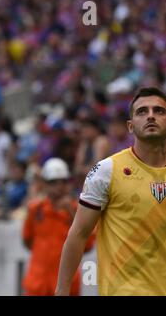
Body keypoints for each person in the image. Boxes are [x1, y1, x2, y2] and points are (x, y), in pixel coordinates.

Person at [56, 87, 166, 296]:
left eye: (159, 111)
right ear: (130, 126)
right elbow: (78, 233)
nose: (151, 115)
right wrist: (62, 291)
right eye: (142, 111)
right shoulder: (107, 170)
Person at [22, 158, 94, 296]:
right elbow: (27, 240)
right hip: (37, 284)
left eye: (63, 181)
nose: (58, 186)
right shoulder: (35, 209)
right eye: (53, 182)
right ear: (44, 184)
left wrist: (71, 213)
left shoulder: (78, 209)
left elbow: (88, 244)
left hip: (66, 286)